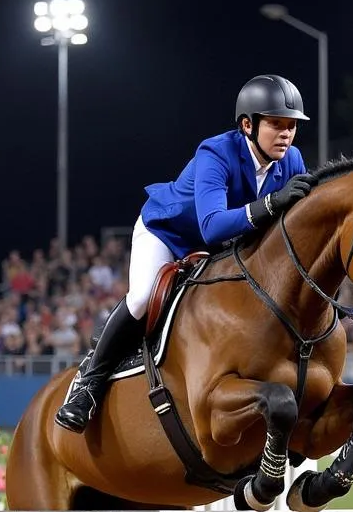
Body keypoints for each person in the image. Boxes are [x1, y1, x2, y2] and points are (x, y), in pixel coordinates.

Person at [55, 74, 317, 433]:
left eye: (291, 126)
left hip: (222, 248)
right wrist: (271, 203)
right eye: (276, 124)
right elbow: (211, 226)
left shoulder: (293, 161)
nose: (286, 134)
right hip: (169, 232)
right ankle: (87, 385)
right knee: (144, 297)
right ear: (247, 124)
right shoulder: (216, 152)